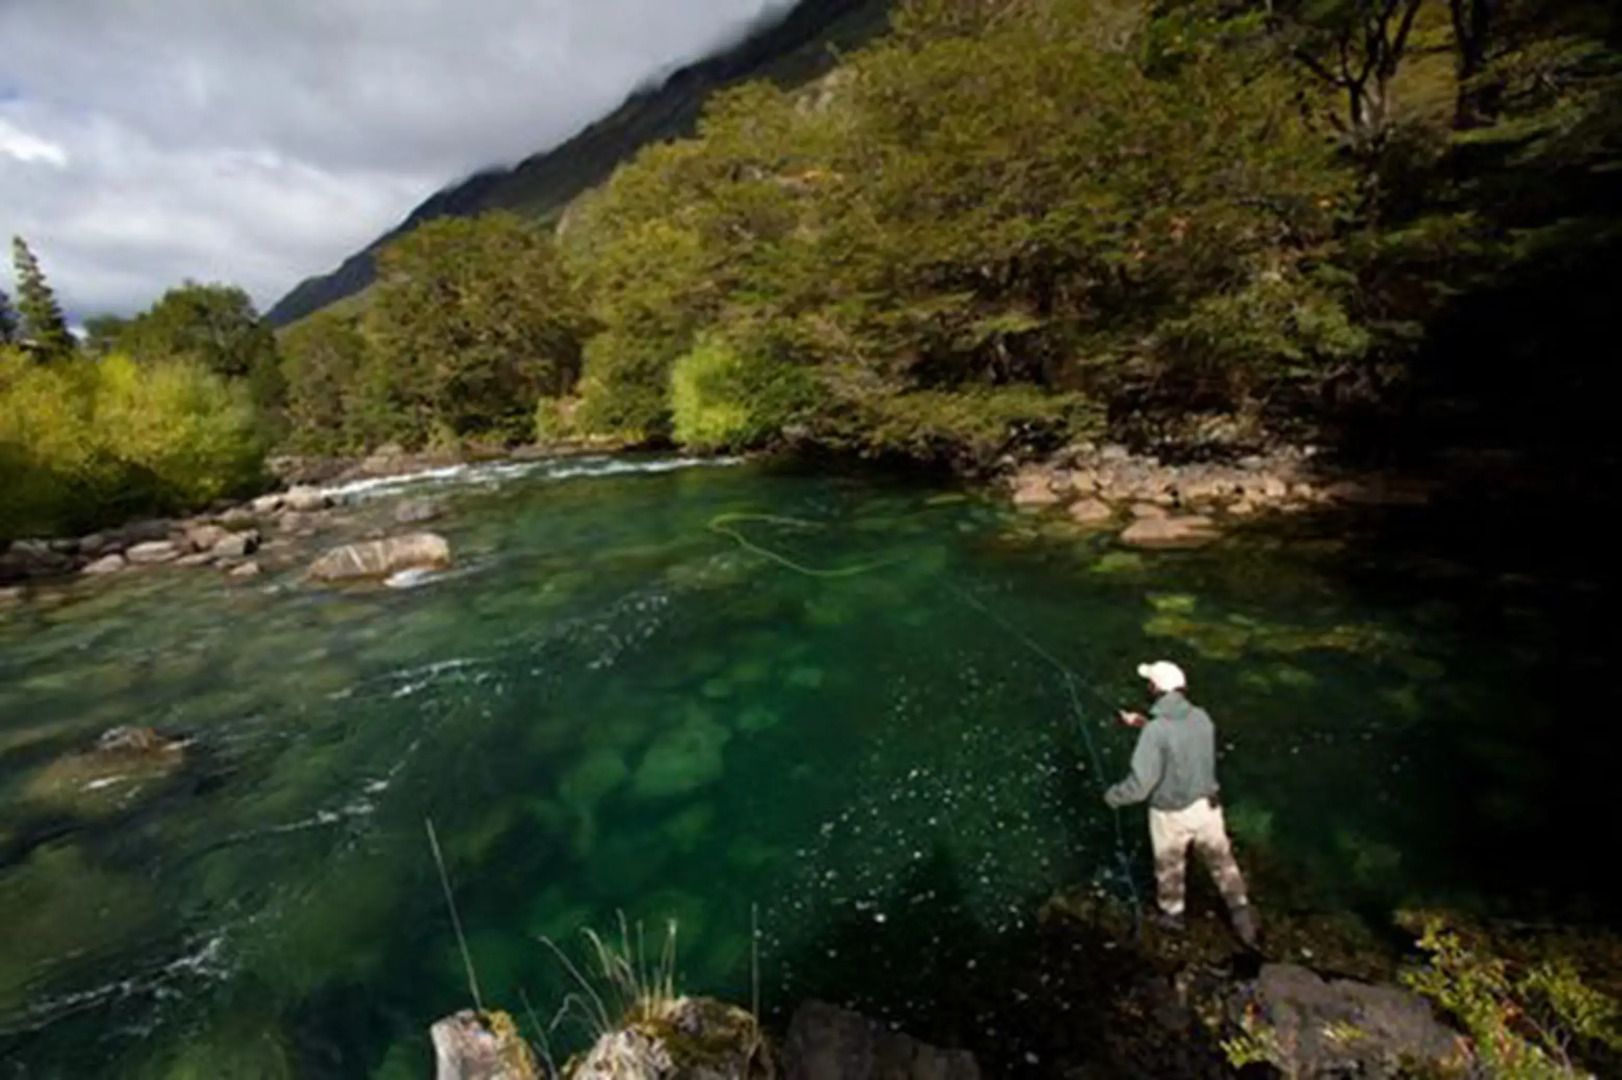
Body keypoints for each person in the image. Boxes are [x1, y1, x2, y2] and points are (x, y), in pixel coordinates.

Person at [1103, 660, 1258, 947]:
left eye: (1149, 683)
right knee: (1221, 861)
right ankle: (1240, 912)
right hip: (1208, 809)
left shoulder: (1157, 732)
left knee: (1169, 867)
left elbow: (1139, 787)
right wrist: (1144, 724)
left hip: (1171, 814)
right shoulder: (1201, 717)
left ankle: (1173, 917)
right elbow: (1179, 740)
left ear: (1154, 689)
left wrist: (1112, 796)